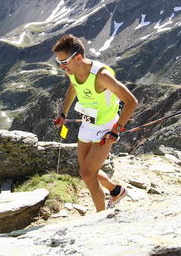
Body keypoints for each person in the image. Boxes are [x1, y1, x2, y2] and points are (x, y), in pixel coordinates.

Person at [52, 34, 138, 212]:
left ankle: (100, 218)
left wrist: (116, 130)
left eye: (64, 62)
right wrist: (63, 112)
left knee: (87, 173)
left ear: (77, 57)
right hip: (87, 124)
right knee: (85, 171)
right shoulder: (73, 72)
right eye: (58, 63)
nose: (62, 67)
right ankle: (116, 190)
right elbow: (74, 87)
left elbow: (131, 101)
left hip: (105, 127)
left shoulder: (102, 76)